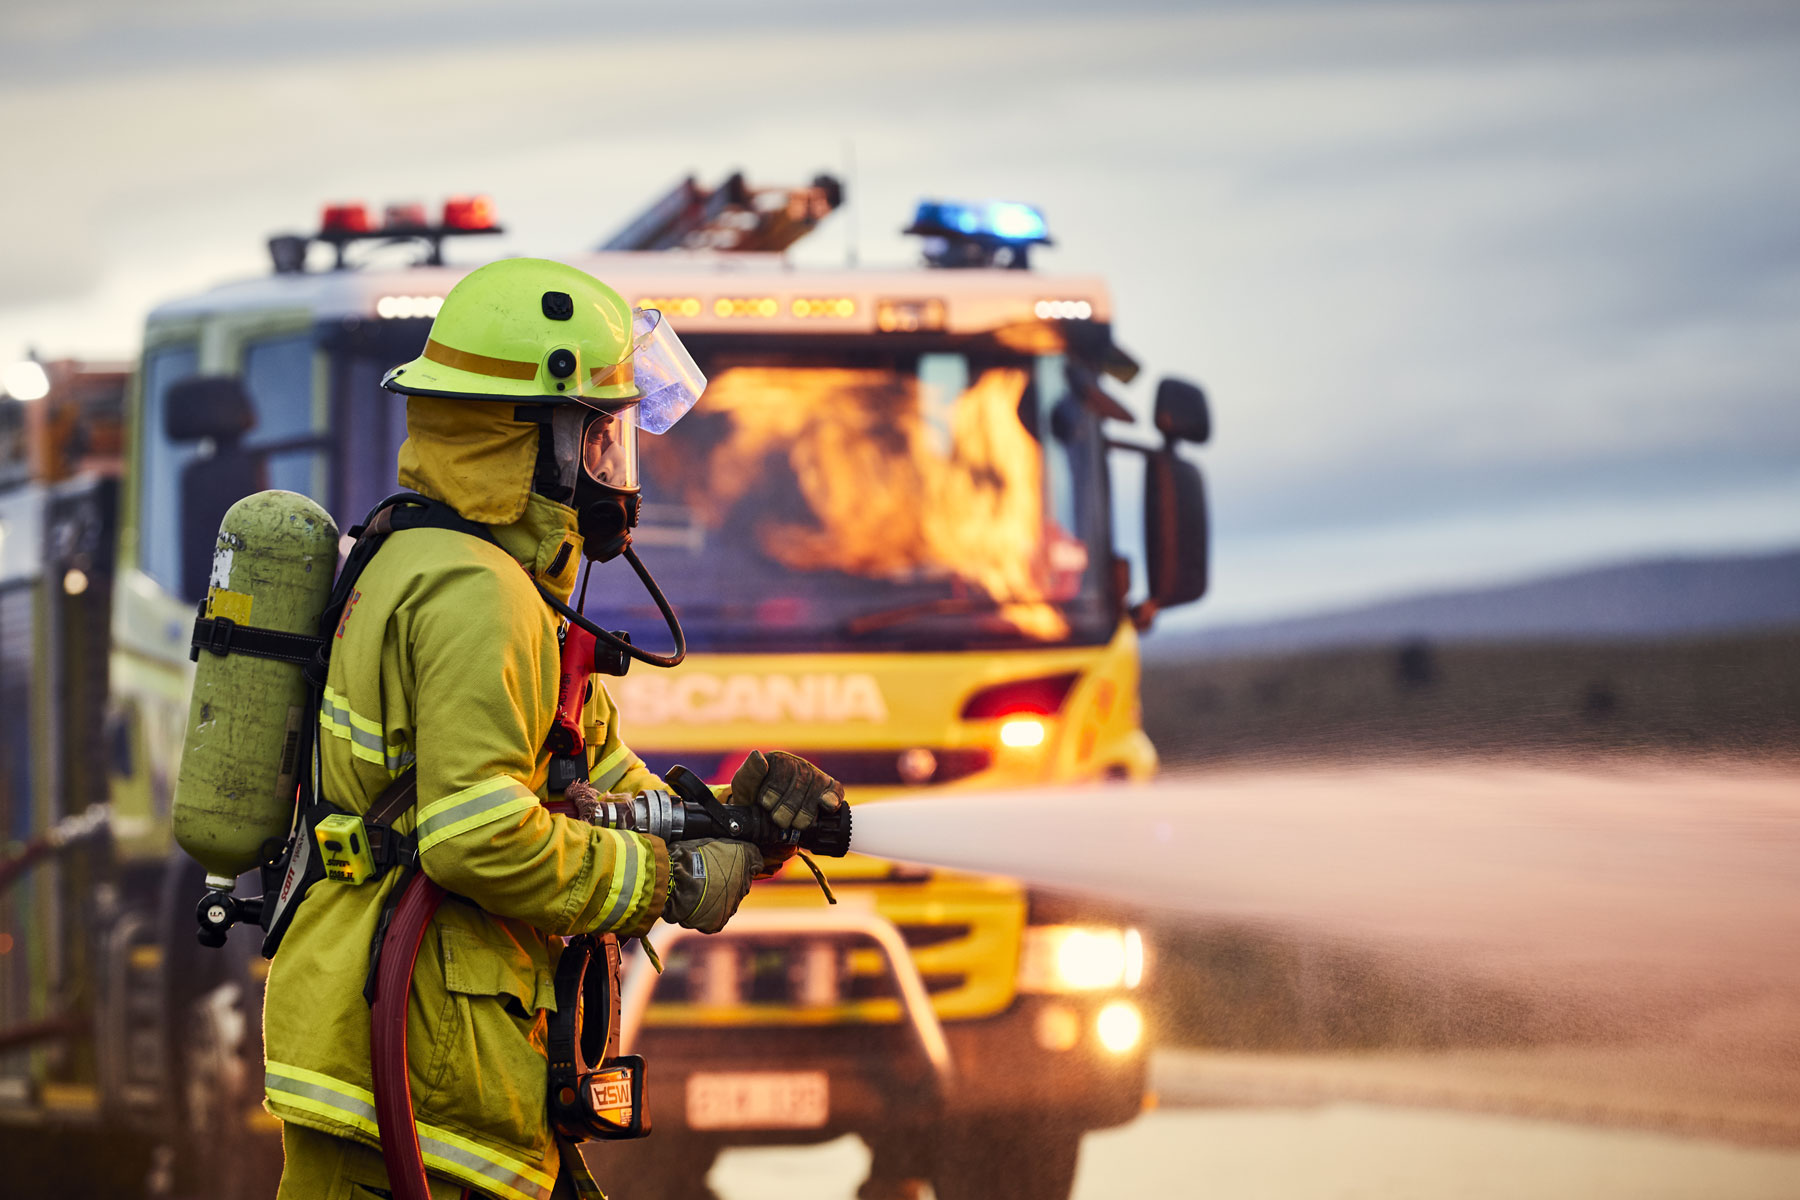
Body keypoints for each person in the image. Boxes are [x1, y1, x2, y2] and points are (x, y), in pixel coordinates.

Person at [261, 258, 844, 1200]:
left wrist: (743, 827)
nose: (620, 470)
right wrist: (670, 879)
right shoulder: (473, 594)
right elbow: (475, 834)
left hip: (445, 1065)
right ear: (535, 441)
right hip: (416, 1072)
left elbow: (603, 787)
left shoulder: (496, 588)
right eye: (606, 437)